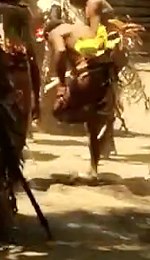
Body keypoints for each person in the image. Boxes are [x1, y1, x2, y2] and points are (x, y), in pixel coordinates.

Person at [45, 18, 118, 178]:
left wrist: (61, 84)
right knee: (92, 128)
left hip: (88, 77)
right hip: (104, 77)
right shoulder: (80, 28)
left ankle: (91, 114)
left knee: (57, 110)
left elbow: (61, 52)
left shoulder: (56, 32)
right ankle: (93, 170)